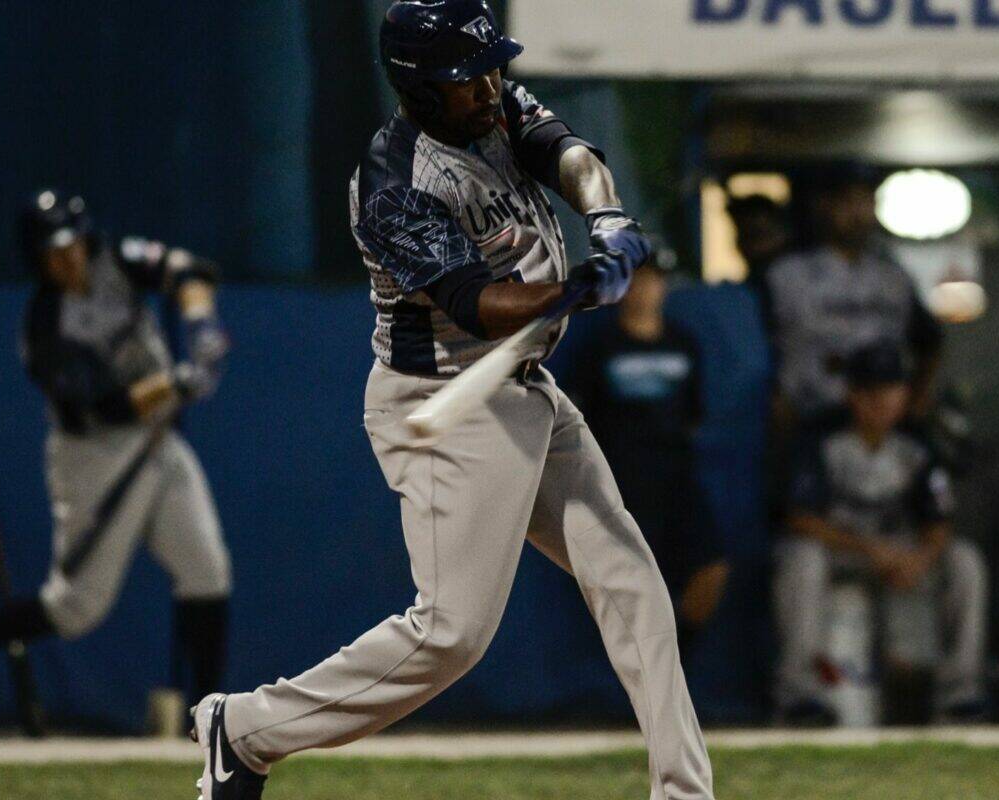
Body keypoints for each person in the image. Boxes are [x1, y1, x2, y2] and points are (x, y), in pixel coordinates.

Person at [187, 3, 715, 800]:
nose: (491, 88)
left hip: (523, 387)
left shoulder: (494, 104)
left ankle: (684, 791)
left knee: (629, 577)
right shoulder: (392, 186)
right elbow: (480, 304)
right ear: (420, 90)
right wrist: (573, 288)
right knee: (450, 637)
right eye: (469, 79)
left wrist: (605, 218)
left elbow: (568, 152)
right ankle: (247, 729)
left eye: (492, 68)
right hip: (443, 404)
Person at [0, 190, 233, 735]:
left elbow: (186, 270)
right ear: (36, 258)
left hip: (157, 440)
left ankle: (209, 724)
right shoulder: (44, 326)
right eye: (53, 250)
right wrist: (177, 381)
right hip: (94, 456)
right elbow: (101, 406)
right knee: (73, 609)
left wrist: (200, 323)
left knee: (207, 571)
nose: (69, 257)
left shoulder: (115, 258)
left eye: (73, 243)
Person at [772, 341, 988, 726]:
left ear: (905, 393)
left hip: (900, 554)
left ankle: (960, 695)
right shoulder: (820, 434)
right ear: (852, 393)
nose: (882, 401)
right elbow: (799, 517)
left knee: (965, 560)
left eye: (891, 389)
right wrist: (870, 549)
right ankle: (799, 696)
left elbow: (938, 521)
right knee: (800, 558)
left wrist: (920, 559)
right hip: (844, 550)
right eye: (871, 391)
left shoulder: (918, 439)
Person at [569, 258, 729, 656]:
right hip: (622, 482)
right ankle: (642, 679)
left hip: (677, 477)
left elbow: (694, 413)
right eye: (633, 282)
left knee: (712, 568)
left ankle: (675, 662)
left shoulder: (683, 342)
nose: (643, 290)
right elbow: (576, 419)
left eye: (651, 281)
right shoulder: (599, 349)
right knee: (633, 582)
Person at [765, 166, 943, 430]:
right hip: (811, 415)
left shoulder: (892, 277)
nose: (857, 213)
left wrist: (916, 400)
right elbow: (763, 349)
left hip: (879, 425)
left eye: (865, 201)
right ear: (823, 206)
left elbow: (930, 341)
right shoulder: (787, 275)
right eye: (846, 201)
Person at [725, 193, 791, 333]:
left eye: (759, 235)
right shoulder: (738, 299)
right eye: (745, 236)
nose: (752, 246)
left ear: (783, 235)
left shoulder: (803, 291)